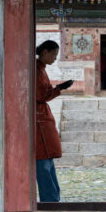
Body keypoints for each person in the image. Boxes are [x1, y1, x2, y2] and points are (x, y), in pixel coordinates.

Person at [36, 40, 73, 202]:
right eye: (54, 54)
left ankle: (53, 198)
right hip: (38, 120)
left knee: (48, 161)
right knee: (43, 163)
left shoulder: (41, 69)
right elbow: (41, 95)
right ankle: (50, 200)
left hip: (42, 117)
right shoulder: (37, 70)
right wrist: (59, 89)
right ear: (44, 52)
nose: (54, 58)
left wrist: (58, 88)